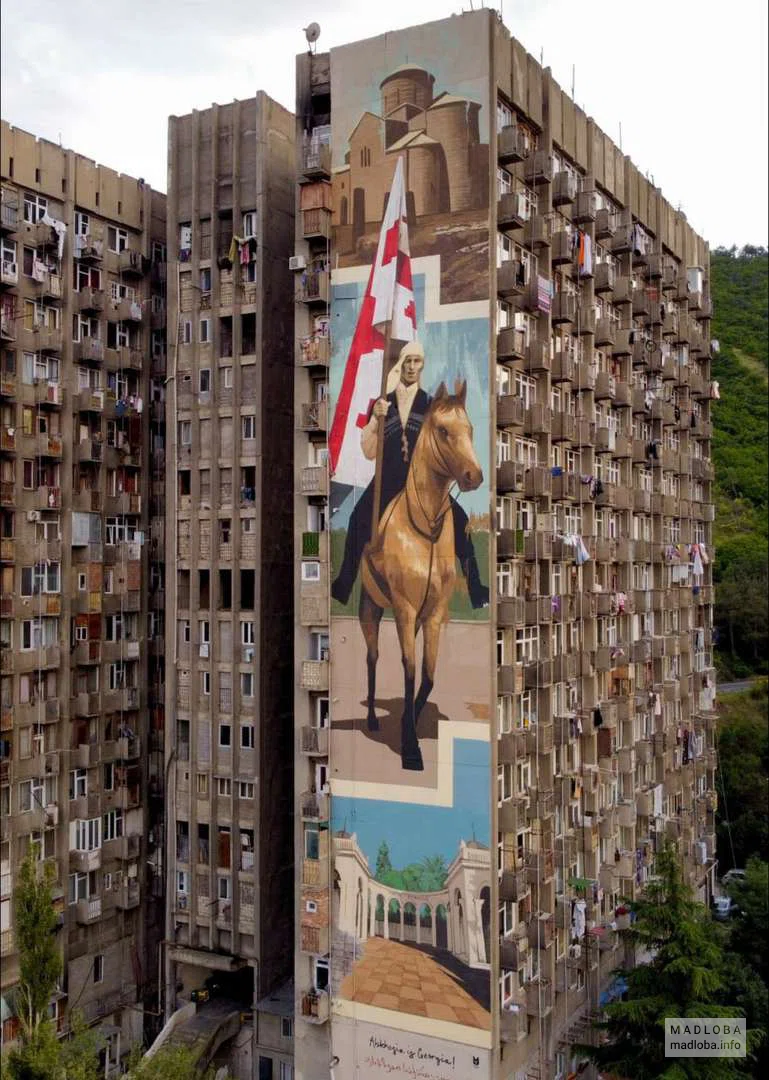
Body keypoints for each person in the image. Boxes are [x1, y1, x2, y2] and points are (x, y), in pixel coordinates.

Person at [331, 341, 489, 608]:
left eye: (417, 361)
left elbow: (443, 442)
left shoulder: (430, 403)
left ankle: (476, 588)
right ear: (400, 365)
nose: (412, 367)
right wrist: (374, 420)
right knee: (358, 519)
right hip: (387, 479)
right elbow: (368, 451)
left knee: (461, 521)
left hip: (422, 483)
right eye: (408, 361)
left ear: (422, 365)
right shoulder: (382, 403)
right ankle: (344, 583)